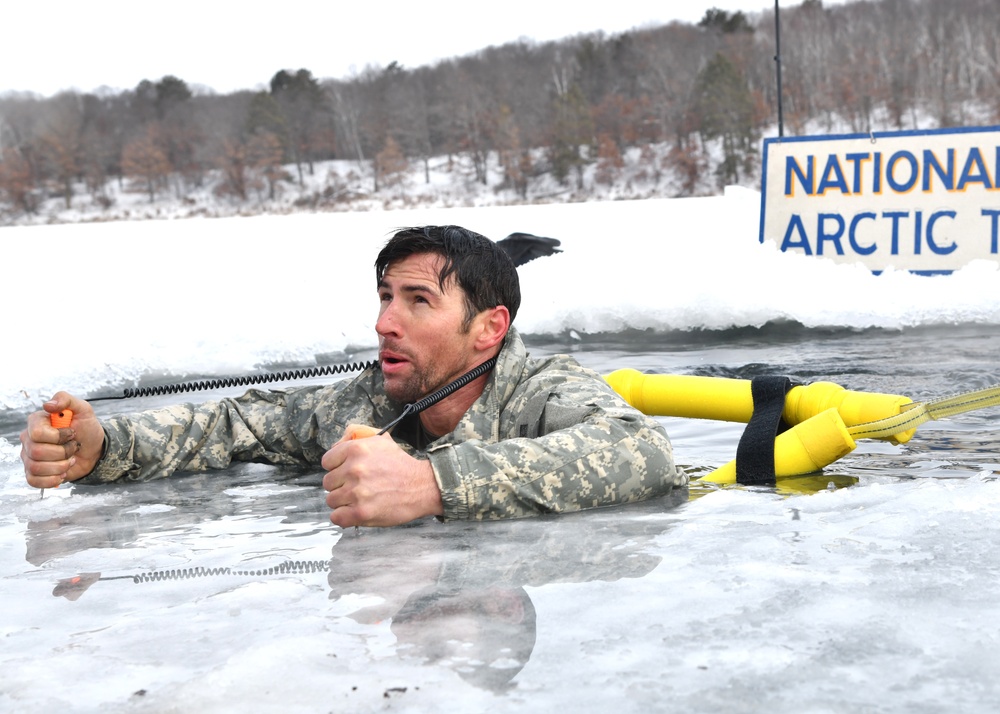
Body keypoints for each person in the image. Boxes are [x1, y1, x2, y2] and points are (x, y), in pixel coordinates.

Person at [20, 225, 686, 526]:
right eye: (384, 298)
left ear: (489, 328)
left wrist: (431, 483)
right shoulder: (370, 398)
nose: (384, 323)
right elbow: (241, 421)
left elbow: (640, 452)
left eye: (417, 302)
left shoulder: (541, 387)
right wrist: (107, 447)